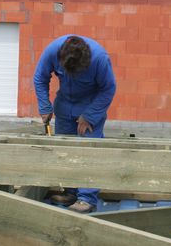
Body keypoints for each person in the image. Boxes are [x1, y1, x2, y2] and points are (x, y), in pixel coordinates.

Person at [33, 35, 117, 213]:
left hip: (90, 106)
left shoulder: (99, 58)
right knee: (66, 150)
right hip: (64, 105)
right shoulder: (52, 51)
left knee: (88, 151)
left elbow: (109, 88)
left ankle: (87, 199)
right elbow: (40, 77)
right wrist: (45, 106)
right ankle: (71, 192)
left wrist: (90, 116)